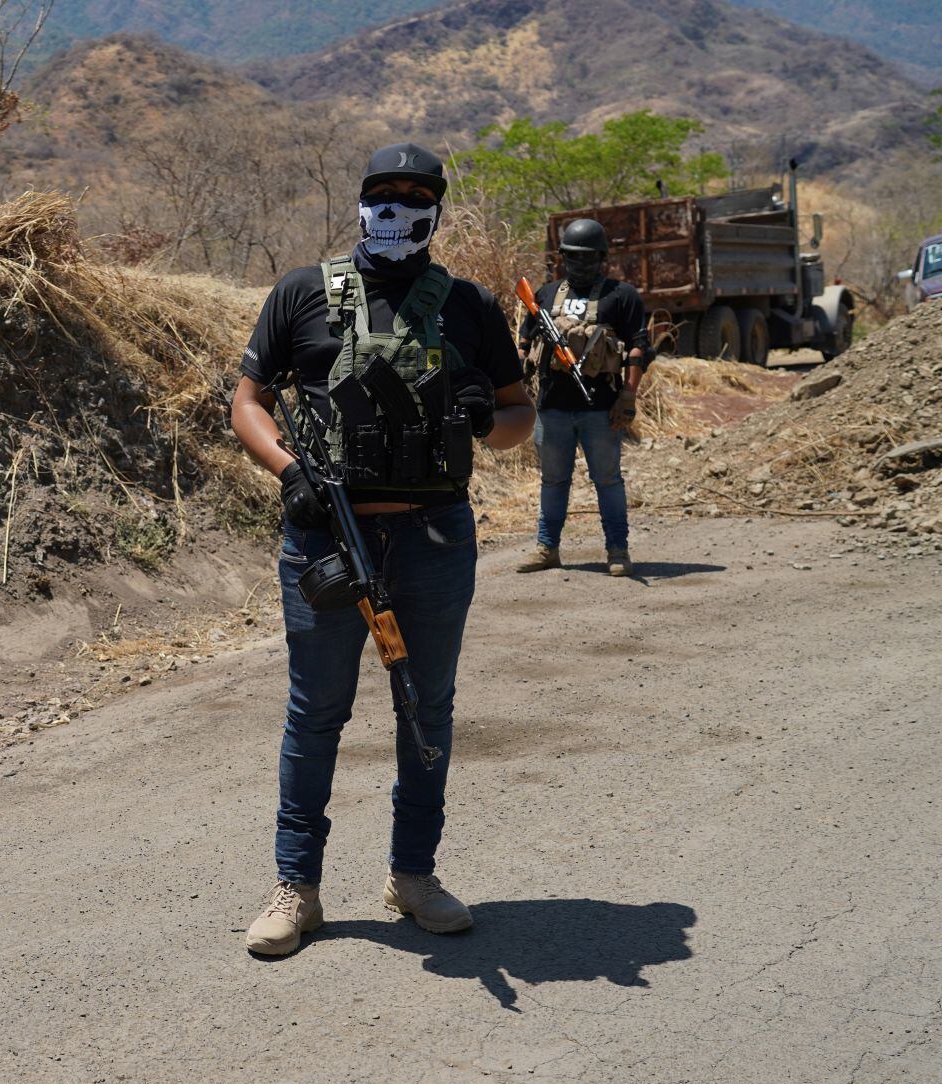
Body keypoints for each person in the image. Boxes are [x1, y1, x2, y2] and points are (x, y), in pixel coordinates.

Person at [231, 142, 535, 957]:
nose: (400, 207)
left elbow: (519, 418)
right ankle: (296, 888)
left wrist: (486, 417)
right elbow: (248, 402)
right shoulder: (303, 292)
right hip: (328, 537)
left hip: (434, 537)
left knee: (426, 709)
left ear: (438, 209)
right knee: (315, 713)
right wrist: (290, 472)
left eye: (418, 194)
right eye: (385, 193)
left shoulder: (469, 305)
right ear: (362, 203)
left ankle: (413, 876)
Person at [515, 217, 652, 576]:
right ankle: (547, 549)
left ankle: (618, 551)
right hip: (552, 407)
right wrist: (521, 369)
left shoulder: (621, 295)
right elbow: (525, 342)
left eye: (589, 256)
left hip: (601, 408)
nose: (580, 263)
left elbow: (639, 349)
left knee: (607, 481)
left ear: (602, 257)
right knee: (553, 481)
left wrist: (628, 395)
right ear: (563, 257)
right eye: (573, 256)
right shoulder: (545, 294)